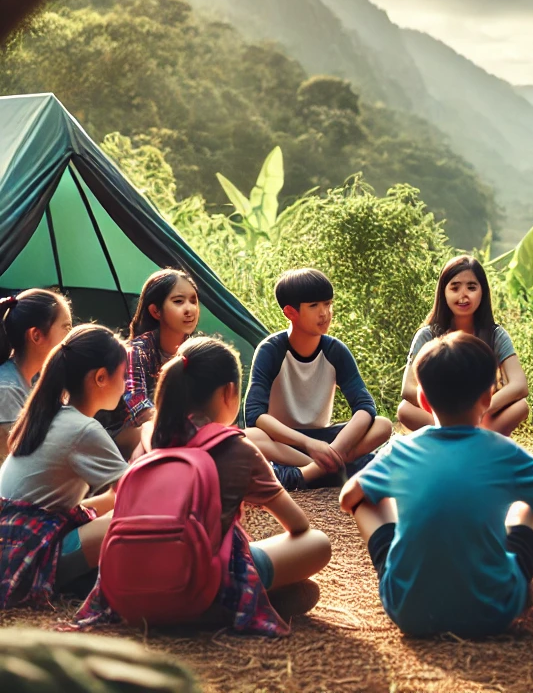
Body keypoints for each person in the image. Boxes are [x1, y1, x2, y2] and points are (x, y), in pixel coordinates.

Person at [339, 331, 533, 637]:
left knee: (367, 498)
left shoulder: (400, 450)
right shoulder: (503, 451)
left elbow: (348, 497)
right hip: (492, 612)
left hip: (409, 613)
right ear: (488, 397)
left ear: (423, 400)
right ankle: (516, 583)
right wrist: (515, 534)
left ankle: (397, 570)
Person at [79, 337, 332, 632]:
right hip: (198, 587)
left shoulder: (149, 441)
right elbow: (297, 526)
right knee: (317, 543)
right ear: (229, 393)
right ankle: (231, 606)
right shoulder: (237, 448)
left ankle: (223, 605)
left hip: (128, 590)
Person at [0, 325, 128, 608]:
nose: (126, 384)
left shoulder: (51, 413)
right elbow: (136, 494)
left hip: (10, 539)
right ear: (101, 377)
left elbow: (113, 497)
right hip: (24, 549)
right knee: (130, 521)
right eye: (124, 375)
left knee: (113, 512)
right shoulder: (83, 429)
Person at [243, 268, 391, 491]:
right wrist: (308, 445)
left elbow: (364, 406)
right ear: (290, 312)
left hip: (327, 441)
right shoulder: (271, 350)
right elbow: (254, 414)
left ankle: (306, 474)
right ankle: (335, 470)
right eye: (314, 306)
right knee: (249, 436)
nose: (325, 313)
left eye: (328, 304)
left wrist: (334, 449)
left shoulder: (335, 350)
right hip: (286, 442)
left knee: (382, 425)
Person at [397, 255, 529, 437]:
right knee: (405, 410)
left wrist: (479, 409)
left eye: (471, 287)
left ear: (483, 292)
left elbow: (519, 385)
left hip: (484, 416)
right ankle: (473, 441)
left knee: (520, 407)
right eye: (455, 287)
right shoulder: (428, 335)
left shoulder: (495, 335)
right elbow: (408, 389)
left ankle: (458, 439)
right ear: (443, 292)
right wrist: (450, 413)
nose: (463, 295)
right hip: (441, 417)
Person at [97, 269, 200, 457]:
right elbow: (139, 407)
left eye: (193, 301)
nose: (189, 309)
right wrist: (184, 427)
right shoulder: (135, 351)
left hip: (173, 428)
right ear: (155, 311)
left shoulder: (197, 351)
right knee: (170, 440)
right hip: (122, 432)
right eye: (178, 301)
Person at [0, 289, 73, 459]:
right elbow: (16, 463)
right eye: (66, 328)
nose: (70, 338)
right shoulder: (6, 391)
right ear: (36, 335)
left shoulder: (35, 381)